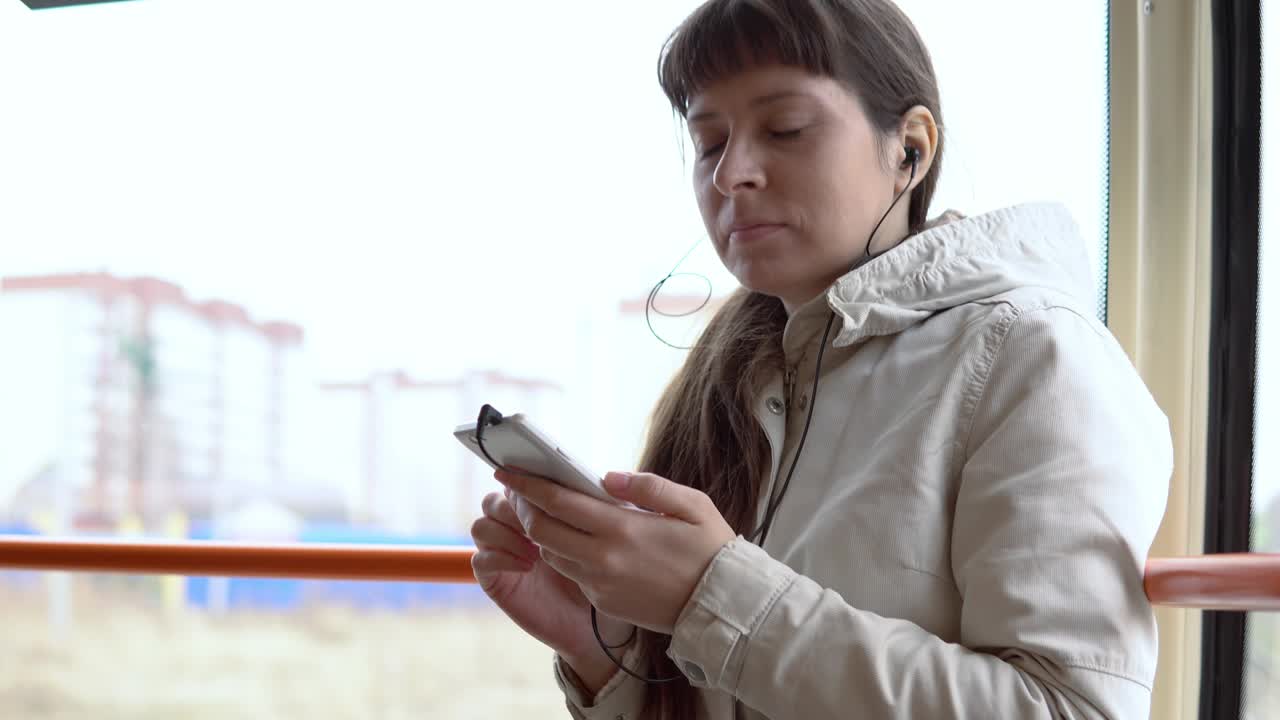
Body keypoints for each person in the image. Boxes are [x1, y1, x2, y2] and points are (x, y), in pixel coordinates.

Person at [468, 0, 1172, 718]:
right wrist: (600, 651)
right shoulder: (732, 377)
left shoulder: (1034, 357)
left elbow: (1070, 709)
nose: (731, 173)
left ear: (911, 149)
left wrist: (712, 596)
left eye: (786, 129)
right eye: (709, 142)